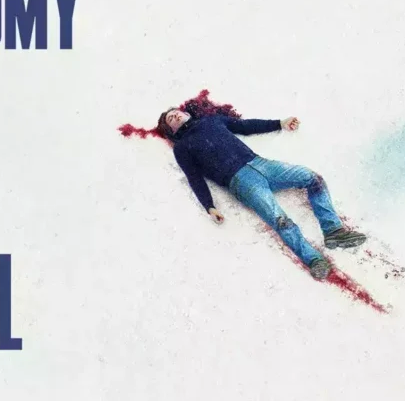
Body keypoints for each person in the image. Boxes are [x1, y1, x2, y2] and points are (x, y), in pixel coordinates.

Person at [157, 108, 367, 280]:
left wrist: (280, 123)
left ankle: (334, 231)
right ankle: (314, 260)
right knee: (280, 219)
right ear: (172, 131)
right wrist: (209, 206)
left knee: (313, 178)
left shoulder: (212, 121)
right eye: (170, 119)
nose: (174, 115)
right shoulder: (182, 147)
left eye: (175, 112)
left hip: (261, 164)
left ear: (186, 113)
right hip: (240, 182)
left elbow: (245, 126)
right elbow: (194, 178)